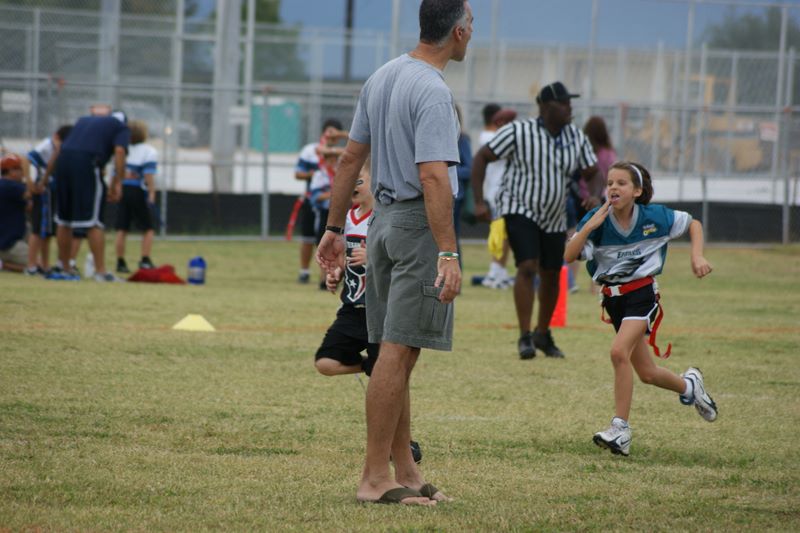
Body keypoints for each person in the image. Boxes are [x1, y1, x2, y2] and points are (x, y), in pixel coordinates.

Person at [316, 0, 472, 506]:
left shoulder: (382, 76)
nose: (472, 32)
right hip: (415, 226)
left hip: (382, 225)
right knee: (396, 351)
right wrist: (448, 253)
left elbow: (350, 160)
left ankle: (405, 469)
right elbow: (433, 176)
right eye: (471, 24)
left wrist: (333, 227)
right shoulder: (433, 90)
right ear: (458, 33)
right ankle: (373, 477)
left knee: (395, 349)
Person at [564, 161, 717, 457]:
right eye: (610, 183)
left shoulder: (654, 217)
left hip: (642, 294)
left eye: (621, 183)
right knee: (647, 373)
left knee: (618, 352)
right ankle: (690, 387)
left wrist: (697, 256)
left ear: (637, 191)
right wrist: (589, 227)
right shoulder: (596, 220)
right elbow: (569, 255)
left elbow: (693, 224)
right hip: (613, 300)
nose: (613, 188)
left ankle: (620, 429)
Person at [471, 81, 600, 360]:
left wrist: (594, 195)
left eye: (570, 103)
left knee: (552, 273)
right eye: (563, 103)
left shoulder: (576, 137)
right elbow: (482, 157)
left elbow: (593, 172)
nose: (569, 108)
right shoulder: (519, 131)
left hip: (554, 215)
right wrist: (479, 202)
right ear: (546, 107)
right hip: (519, 206)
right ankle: (524, 336)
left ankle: (542, 333)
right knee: (528, 266)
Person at [53, 110, 130, 282]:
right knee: (94, 221)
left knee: (64, 220)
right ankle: (100, 272)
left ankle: (64, 268)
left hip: (63, 161)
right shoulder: (121, 127)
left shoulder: (84, 120)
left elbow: (60, 148)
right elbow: (119, 151)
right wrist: (117, 183)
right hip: (87, 163)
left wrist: (45, 179)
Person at [294, 119, 347, 284]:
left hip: (336, 207)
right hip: (315, 203)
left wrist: (341, 135)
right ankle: (305, 271)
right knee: (309, 237)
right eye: (329, 132)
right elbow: (298, 173)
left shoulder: (344, 153)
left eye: (335, 134)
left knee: (336, 241)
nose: (331, 136)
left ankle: (330, 275)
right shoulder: (311, 151)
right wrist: (318, 175)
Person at [24, 125, 73, 276]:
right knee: (38, 229)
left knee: (48, 231)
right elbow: (26, 159)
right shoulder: (47, 145)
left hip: (54, 190)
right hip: (44, 192)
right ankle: (31, 266)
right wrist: (30, 183)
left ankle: (45, 265)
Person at [477, 104, 516, 289]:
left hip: (500, 191)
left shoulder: (488, 136)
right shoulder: (490, 137)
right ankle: (495, 272)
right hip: (498, 192)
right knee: (501, 234)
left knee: (504, 234)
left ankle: (499, 271)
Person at [114, 119, 158, 273]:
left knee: (122, 228)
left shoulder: (122, 150)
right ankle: (145, 260)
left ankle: (120, 262)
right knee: (148, 228)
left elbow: (116, 171)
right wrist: (151, 192)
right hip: (138, 191)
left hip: (123, 189)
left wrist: (116, 187)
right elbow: (148, 174)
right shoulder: (149, 151)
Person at [0, 154, 30, 273]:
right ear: (11, 171)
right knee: (37, 266)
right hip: (9, 244)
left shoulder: (4, 185)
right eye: (19, 169)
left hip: (6, 239)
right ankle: (4, 265)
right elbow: (32, 201)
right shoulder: (12, 186)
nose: (22, 172)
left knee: (30, 228)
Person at [452, 104, 472, 266]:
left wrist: (448, 172)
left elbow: (469, 169)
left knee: (452, 236)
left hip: (456, 196)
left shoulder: (462, 139)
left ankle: (456, 271)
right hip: (437, 194)